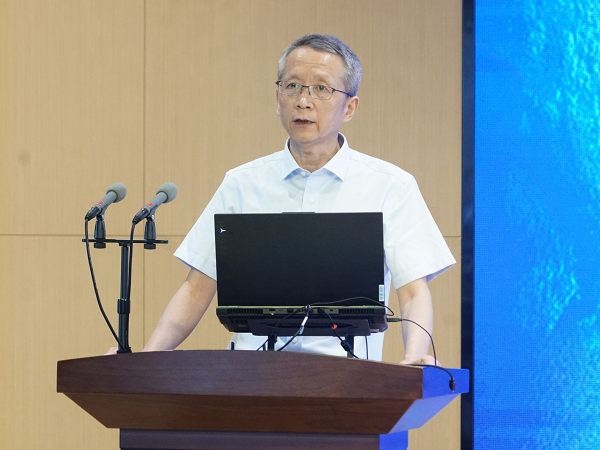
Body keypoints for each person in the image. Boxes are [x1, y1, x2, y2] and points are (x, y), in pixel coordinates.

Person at [107, 34, 455, 364]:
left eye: (321, 88)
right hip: (252, 379)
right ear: (278, 99)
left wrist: (414, 356)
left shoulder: (390, 185)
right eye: (292, 86)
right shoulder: (242, 183)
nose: (303, 100)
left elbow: (413, 291)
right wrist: (148, 358)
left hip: (348, 381)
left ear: (350, 107)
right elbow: (197, 289)